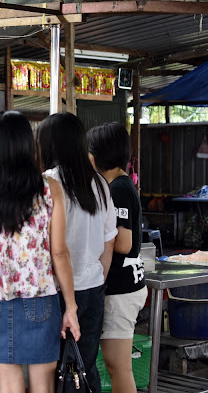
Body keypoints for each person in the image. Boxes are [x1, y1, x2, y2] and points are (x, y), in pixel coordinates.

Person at [0, 111, 80, 393]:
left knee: (9, 389)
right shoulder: (50, 189)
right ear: (28, 146)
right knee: (43, 389)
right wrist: (71, 307)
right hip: (42, 303)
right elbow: (60, 253)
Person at [36, 113, 117, 393]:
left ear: (49, 145)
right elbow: (109, 244)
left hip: (57, 292)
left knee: (54, 371)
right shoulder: (100, 184)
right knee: (83, 367)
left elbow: (44, 244)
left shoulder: (47, 182)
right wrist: (96, 280)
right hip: (93, 288)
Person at [88, 122, 147, 393]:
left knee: (117, 365)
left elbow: (124, 243)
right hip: (122, 288)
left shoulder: (120, 189)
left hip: (121, 289)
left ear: (99, 155)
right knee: (115, 365)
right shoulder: (118, 185)